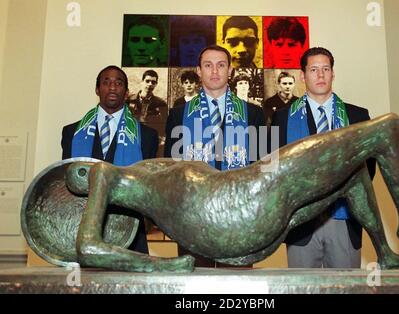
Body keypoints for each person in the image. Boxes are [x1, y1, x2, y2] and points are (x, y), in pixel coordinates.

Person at [67, 113, 399, 272]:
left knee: (349, 175)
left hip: (236, 213)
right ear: (83, 180)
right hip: (240, 204)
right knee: (386, 128)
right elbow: (88, 247)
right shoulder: (106, 176)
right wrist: (164, 265)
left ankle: (386, 254)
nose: (89, 169)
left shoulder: (135, 178)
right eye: (80, 172)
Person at [271, 47, 376, 268]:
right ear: (303, 75)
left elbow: (369, 168)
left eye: (325, 69)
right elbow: (271, 168)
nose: (320, 75)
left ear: (333, 74)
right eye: (314, 69)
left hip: (344, 219)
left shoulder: (358, 116)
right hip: (301, 223)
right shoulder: (281, 118)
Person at [164, 45, 265, 267]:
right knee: (196, 283)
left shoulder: (254, 113)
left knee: (238, 284)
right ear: (199, 71)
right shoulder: (179, 114)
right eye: (208, 65)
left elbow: (263, 169)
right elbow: (171, 170)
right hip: (192, 215)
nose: (215, 71)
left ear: (230, 70)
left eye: (221, 65)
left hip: (240, 214)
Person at [61, 65, 159, 255]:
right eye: (106, 82)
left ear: (126, 92)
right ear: (97, 90)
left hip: (130, 231)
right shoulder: (72, 133)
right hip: (82, 228)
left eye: (118, 83)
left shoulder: (147, 136)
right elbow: (68, 183)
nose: (112, 87)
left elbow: (148, 188)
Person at [128, 69, 168, 156]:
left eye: (153, 82)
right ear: (142, 82)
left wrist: (161, 141)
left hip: (150, 143)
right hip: (131, 140)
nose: (150, 84)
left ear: (156, 84)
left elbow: (165, 126)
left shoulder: (161, 104)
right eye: (147, 81)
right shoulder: (129, 100)